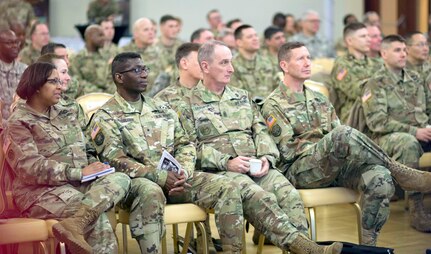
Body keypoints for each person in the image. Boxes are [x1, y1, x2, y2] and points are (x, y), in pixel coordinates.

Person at [176, 40, 342, 254]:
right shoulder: (186, 104)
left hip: (257, 166)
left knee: (289, 195)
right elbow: (189, 147)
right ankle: (307, 248)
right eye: (224, 63)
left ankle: (304, 248)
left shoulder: (243, 97)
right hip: (221, 171)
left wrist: (266, 157)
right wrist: (226, 161)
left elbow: (261, 130)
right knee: (258, 196)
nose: (231, 68)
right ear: (206, 67)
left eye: (231, 62)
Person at [260, 41, 431, 246]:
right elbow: (287, 152)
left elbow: (340, 138)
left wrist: (333, 148)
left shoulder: (319, 99)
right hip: (300, 171)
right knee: (342, 134)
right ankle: (399, 171)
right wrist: (326, 146)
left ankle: (368, 245)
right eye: (300, 58)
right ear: (284, 66)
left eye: (308, 57)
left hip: (332, 166)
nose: (307, 63)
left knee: (379, 176)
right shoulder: (273, 104)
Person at [88, 52, 245, 253]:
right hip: (137, 184)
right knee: (150, 191)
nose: (144, 75)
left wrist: (184, 172)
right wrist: (160, 177)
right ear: (119, 77)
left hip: (177, 180)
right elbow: (115, 160)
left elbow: (184, 143)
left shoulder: (162, 108)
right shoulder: (105, 116)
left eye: (145, 69)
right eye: (136, 70)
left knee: (226, 186)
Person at [2, 62, 131, 254]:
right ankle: (78, 225)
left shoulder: (66, 113)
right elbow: (29, 168)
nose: (61, 86)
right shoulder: (19, 122)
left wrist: (94, 166)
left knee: (121, 179)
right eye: (53, 81)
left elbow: (86, 145)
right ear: (36, 85)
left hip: (78, 184)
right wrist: (78, 173)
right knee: (96, 217)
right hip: (40, 193)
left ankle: (74, 225)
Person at [362, 35, 431, 232]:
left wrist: (426, 128)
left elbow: (427, 111)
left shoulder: (415, 79)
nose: (403, 54)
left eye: (404, 49)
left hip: (420, 132)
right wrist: (414, 131)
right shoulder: (375, 83)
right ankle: (417, 211)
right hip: (386, 138)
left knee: (411, 139)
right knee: (407, 143)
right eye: (397, 50)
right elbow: (377, 122)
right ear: (384, 54)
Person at [329, 22, 382, 123]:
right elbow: (356, 91)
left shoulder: (376, 62)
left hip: (377, 112)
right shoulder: (342, 65)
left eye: (368, 36)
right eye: (363, 36)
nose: (368, 39)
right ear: (350, 41)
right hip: (354, 117)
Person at [230, 24, 279, 101]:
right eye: (250, 37)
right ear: (239, 42)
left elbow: (278, 86)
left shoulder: (268, 62)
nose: (255, 39)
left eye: (256, 35)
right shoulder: (232, 65)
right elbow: (235, 92)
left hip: (270, 107)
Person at [69, 24, 114, 94]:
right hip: (89, 97)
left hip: (109, 96)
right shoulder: (77, 59)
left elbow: (111, 79)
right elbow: (77, 83)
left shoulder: (107, 56)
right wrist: (100, 93)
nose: (104, 38)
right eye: (100, 35)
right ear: (90, 37)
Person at [0, 29, 27, 124]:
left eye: (16, 42)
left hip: (22, 126)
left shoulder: (25, 70)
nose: (15, 46)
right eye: (9, 43)